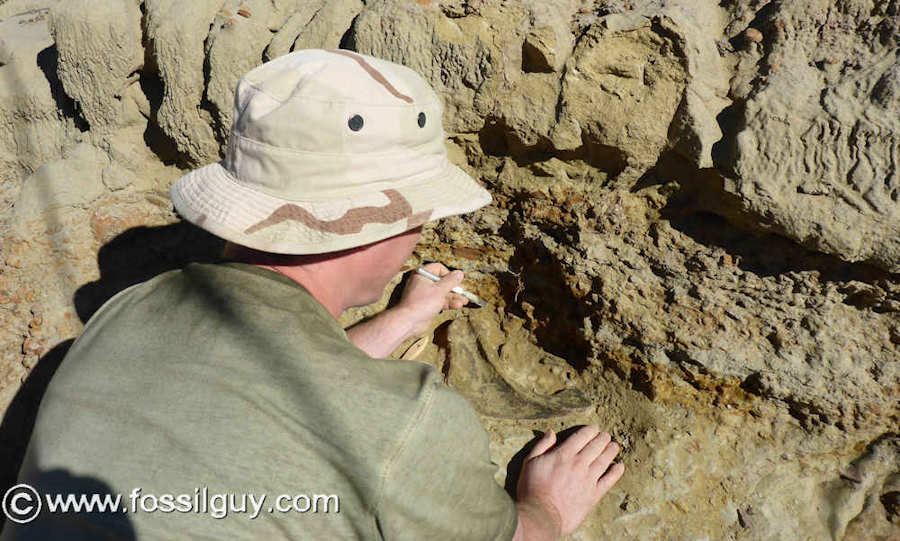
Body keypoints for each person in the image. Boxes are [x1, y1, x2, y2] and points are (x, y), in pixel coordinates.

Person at [3, 49, 623, 540]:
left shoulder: (128, 310)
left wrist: (406, 318)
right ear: (389, 223)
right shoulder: (410, 421)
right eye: (421, 215)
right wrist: (545, 506)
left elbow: (281, 390)